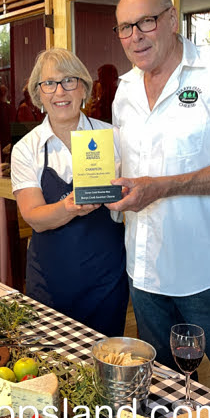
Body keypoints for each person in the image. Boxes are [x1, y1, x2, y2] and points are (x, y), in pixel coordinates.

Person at [107, 0, 210, 403]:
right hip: (146, 274)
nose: (135, 36)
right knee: (161, 393)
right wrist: (108, 191)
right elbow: (125, 171)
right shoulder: (125, 90)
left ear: (170, 18)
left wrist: (162, 188)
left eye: (145, 21)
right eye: (125, 27)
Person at [11, 48, 128, 337]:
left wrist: (124, 201)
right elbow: (34, 217)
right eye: (49, 83)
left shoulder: (113, 138)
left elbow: (133, 201)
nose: (59, 91)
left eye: (69, 81)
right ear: (39, 94)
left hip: (106, 280)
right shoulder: (27, 148)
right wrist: (70, 206)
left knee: (105, 364)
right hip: (49, 283)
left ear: (84, 88)